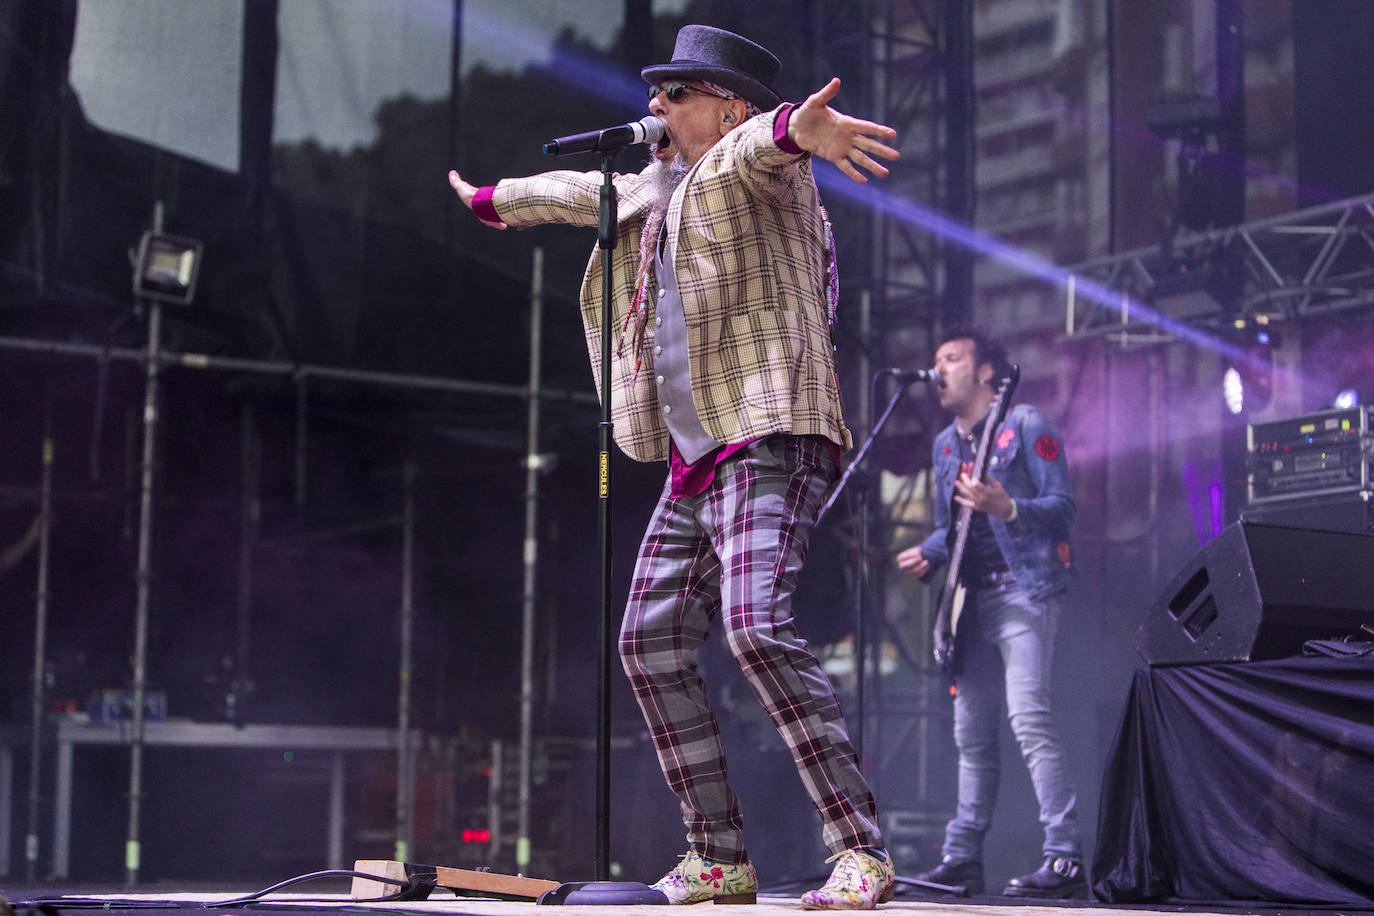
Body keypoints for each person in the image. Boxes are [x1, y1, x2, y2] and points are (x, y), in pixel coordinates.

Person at [449, 24, 901, 911]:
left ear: (728, 105)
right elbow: (586, 191)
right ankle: (718, 856)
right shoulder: (659, 188)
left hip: (772, 430)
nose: (655, 107)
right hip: (702, 455)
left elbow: (761, 151)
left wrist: (793, 131)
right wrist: (493, 199)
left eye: (676, 94)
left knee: (754, 626)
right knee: (648, 640)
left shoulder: (756, 170)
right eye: (656, 94)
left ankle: (858, 848)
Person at [895, 326, 1085, 899]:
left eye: (951, 358)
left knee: (1029, 718)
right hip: (968, 602)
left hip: (1025, 591)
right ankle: (962, 856)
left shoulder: (1024, 423)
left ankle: (1064, 856)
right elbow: (948, 529)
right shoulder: (944, 446)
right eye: (935, 360)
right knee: (970, 734)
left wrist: (1009, 507)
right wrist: (925, 555)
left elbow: (1063, 507)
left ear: (984, 371)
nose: (939, 370)